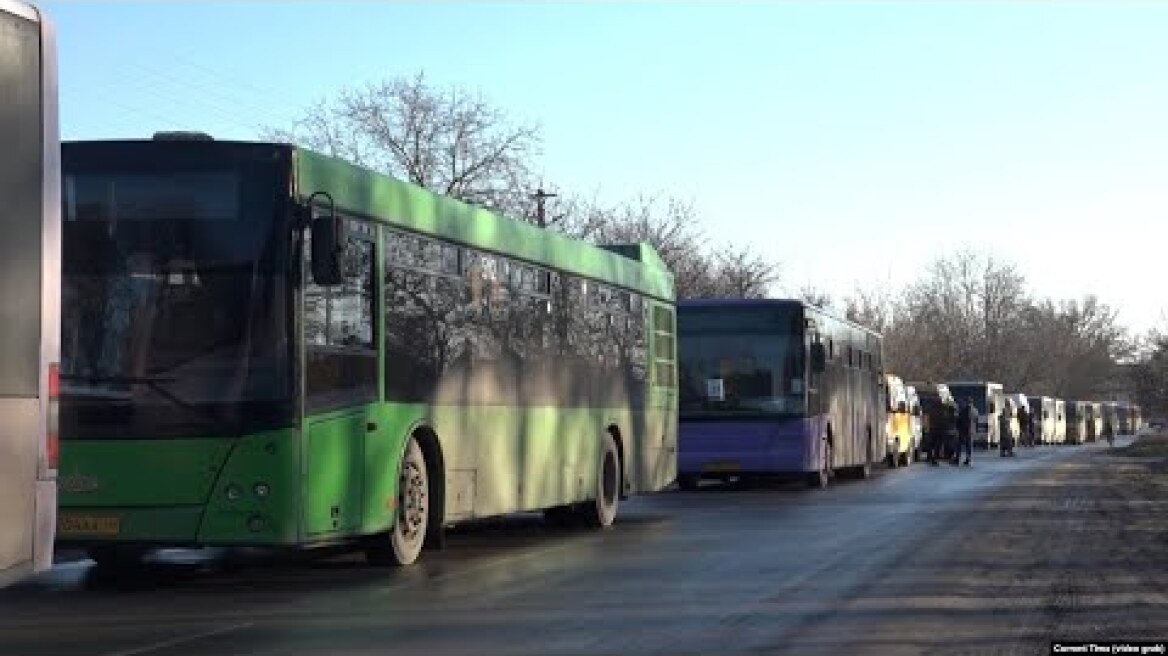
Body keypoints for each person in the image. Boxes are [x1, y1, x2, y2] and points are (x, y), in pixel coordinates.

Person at [955, 398, 974, 466]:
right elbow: (975, 420)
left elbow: (959, 420)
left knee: (959, 445)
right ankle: (968, 459)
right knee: (968, 446)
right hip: (970, 430)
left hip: (963, 430)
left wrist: (957, 427)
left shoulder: (964, 410)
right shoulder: (974, 410)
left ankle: (957, 459)